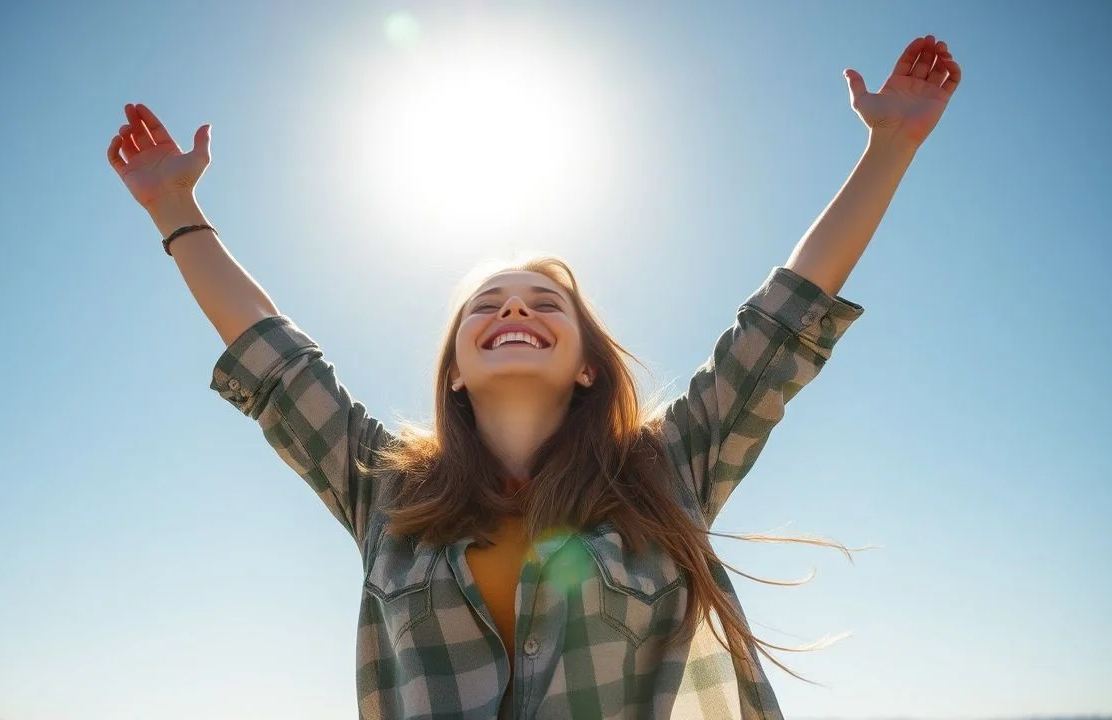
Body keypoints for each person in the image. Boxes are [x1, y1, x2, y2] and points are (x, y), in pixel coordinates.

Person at [107, 34, 961, 720]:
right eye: (486, 304)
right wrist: (173, 207)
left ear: (588, 365)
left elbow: (781, 319)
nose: (513, 309)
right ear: (454, 374)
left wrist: (890, 146)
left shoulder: (668, 470)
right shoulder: (386, 494)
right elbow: (277, 362)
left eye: (544, 302)